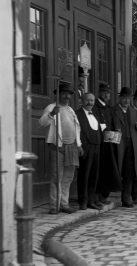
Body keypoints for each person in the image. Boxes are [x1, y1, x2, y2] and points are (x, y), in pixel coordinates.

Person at [39, 82, 83, 214]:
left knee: (68, 177)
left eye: (68, 94)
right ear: (57, 95)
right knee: (56, 177)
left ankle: (64, 204)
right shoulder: (52, 107)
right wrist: (51, 114)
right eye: (63, 93)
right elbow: (42, 123)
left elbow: (76, 129)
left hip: (71, 147)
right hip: (57, 147)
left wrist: (79, 145)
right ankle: (54, 205)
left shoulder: (70, 110)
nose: (66, 96)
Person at [113, 86, 137, 207]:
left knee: (130, 172)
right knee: (116, 170)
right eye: (124, 98)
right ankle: (103, 196)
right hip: (118, 145)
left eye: (128, 98)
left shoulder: (134, 111)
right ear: (120, 97)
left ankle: (126, 198)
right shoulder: (113, 110)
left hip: (131, 145)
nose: (126, 100)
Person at [93, 84, 120, 206]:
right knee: (98, 170)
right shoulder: (94, 107)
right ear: (99, 92)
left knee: (108, 169)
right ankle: (96, 196)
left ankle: (104, 195)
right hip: (99, 144)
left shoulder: (109, 109)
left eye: (108, 93)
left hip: (109, 144)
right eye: (104, 92)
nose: (106, 95)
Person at [75, 93, 103, 210]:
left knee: (94, 175)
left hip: (96, 147)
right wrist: (79, 145)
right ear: (82, 101)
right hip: (85, 148)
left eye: (92, 100)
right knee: (84, 175)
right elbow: (76, 131)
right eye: (87, 100)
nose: (90, 102)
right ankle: (83, 201)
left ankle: (91, 200)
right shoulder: (77, 114)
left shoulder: (95, 115)